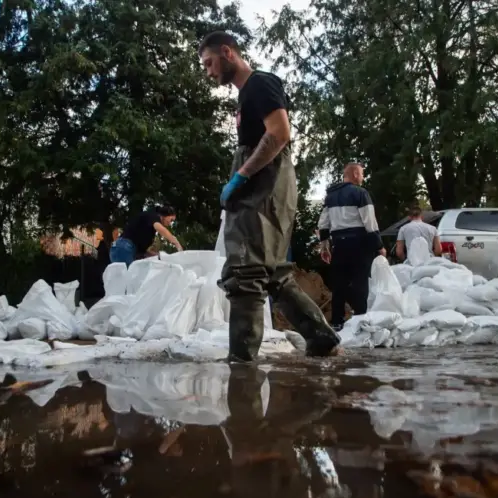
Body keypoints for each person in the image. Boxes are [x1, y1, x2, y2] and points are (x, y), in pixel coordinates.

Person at [198, 30, 340, 362]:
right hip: (265, 188)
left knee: (245, 272)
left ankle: (242, 365)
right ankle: (321, 338)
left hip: (263, 189)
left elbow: (279, 133)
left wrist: (240, 177)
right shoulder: (246, 94)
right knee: (272, 271)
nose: (208, 71)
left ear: (227, 52)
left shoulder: (259, 84)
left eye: (209, 62)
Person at [317, 162, 386, 330]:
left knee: (339, 284)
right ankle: (360, 319)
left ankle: (337, 321)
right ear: (355, 174)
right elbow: (370, 222)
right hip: (359, 243)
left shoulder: (330, 197)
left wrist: (325, 247)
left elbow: (323, 224)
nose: (363, 177)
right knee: (360, 281)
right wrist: (379, 246)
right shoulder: (360, 193)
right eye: (362, 173)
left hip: (339, 245)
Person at [109, 205, 183, 267]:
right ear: (165, 215)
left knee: (130, 280)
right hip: (123, 247)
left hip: (123, 249)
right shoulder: (153, 215)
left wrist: (159, 257)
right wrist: (176, 243)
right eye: (171, 220)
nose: (170, 223)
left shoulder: (148, 229)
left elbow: (141, 251)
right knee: (130, 279)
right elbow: (160, 228)